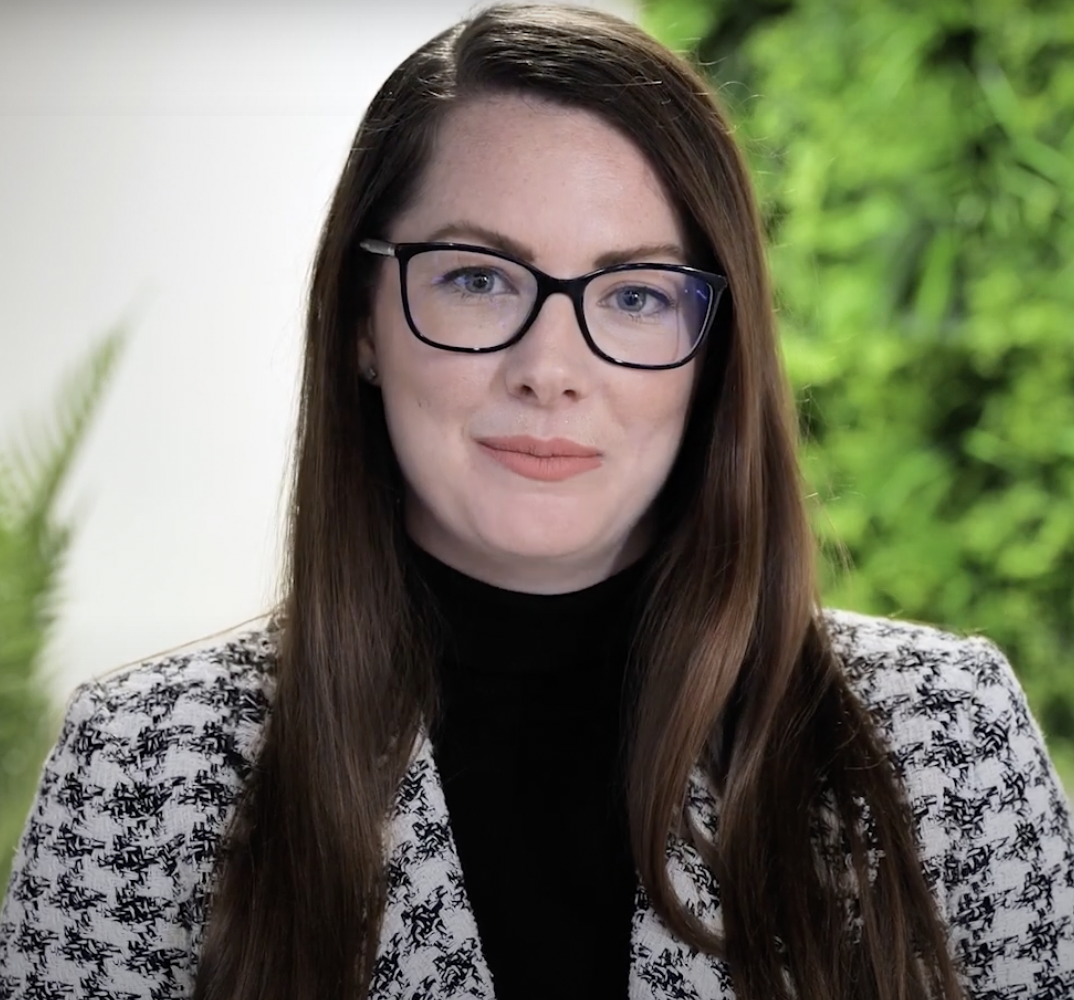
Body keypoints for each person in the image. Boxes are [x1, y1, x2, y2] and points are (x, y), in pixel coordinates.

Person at [2, 4, 1072, 999]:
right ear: (363, 321)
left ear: (714, 352)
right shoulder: (144, 765)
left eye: (637, 294)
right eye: (477, 278)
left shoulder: (945, 738)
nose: (549, 369)